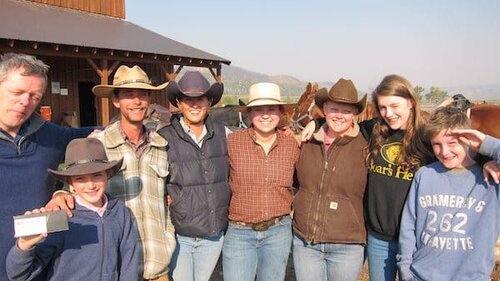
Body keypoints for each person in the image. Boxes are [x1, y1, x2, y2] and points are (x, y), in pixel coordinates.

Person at [48, 65, 176, 281]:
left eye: (142, 95)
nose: (137, 101)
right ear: (116, 101)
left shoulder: (162, 145)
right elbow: (72, 188)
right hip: (116, 268)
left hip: (158, 264)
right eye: (129, 95)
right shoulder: (98, 145)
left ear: (149, 100)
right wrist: (59, 195)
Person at [0, 53, 97, 280]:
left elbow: (95, 136)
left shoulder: (49, 135)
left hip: (37, 268)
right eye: (17, 92)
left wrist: (62, 189)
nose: (26, 101)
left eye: (35, 96)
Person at [6, 137, 138, 281]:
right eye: (80, 178)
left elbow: (128, 263)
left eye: (97, 175)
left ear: (108, 175)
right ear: (70, 182)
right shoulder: (60, 216)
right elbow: (18, 275)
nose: (90, 185)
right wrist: (24, 245)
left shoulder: (120, 212)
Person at [397, 106, 500, 281]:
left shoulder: (491, 180)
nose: (444, 152)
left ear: (468, 139)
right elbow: (409, 225)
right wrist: (405, 269)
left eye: (452, 143)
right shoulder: (425, 175)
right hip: (422, 275)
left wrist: (489, 146)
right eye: (437, 144)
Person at [157, 71, 231, 281]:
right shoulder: (163, 138)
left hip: (213, 234)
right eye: (188, 99)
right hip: (180, 235)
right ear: (179, 103)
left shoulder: (224, 134)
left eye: (200, 98)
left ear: (209, 102)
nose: (194, 104)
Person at [222, 82, 300, 281]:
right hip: (240, 232)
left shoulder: (293, 145)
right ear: (249, 114)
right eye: (258, 109)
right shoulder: (232, 142)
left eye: (271, 109)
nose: (265, 115)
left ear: (281, 113)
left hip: (278, 231)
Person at [292, 78, 368, 281]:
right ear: (324, 109)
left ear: (355, 114)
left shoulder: (367, 146)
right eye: (334, 109)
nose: (340, 116)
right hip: (306, 243)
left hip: (347, 244)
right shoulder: (307, 142)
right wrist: (314, 124)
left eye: (346, 111)